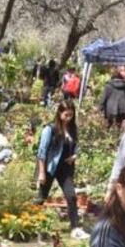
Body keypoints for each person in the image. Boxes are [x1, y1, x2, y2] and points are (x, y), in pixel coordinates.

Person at [35, 99, 88, 239]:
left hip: (65, 169)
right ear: (59, 113)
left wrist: (75, 156)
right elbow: (41, 152)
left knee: (71, 196)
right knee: (41, 197)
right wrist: (41, 173)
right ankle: (31, 223)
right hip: (50, 167)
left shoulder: (72, 129)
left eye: (71, 115)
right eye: (66, 115)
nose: (68, 118)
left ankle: (75, 227)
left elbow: (76, 146)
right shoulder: (50, 129)